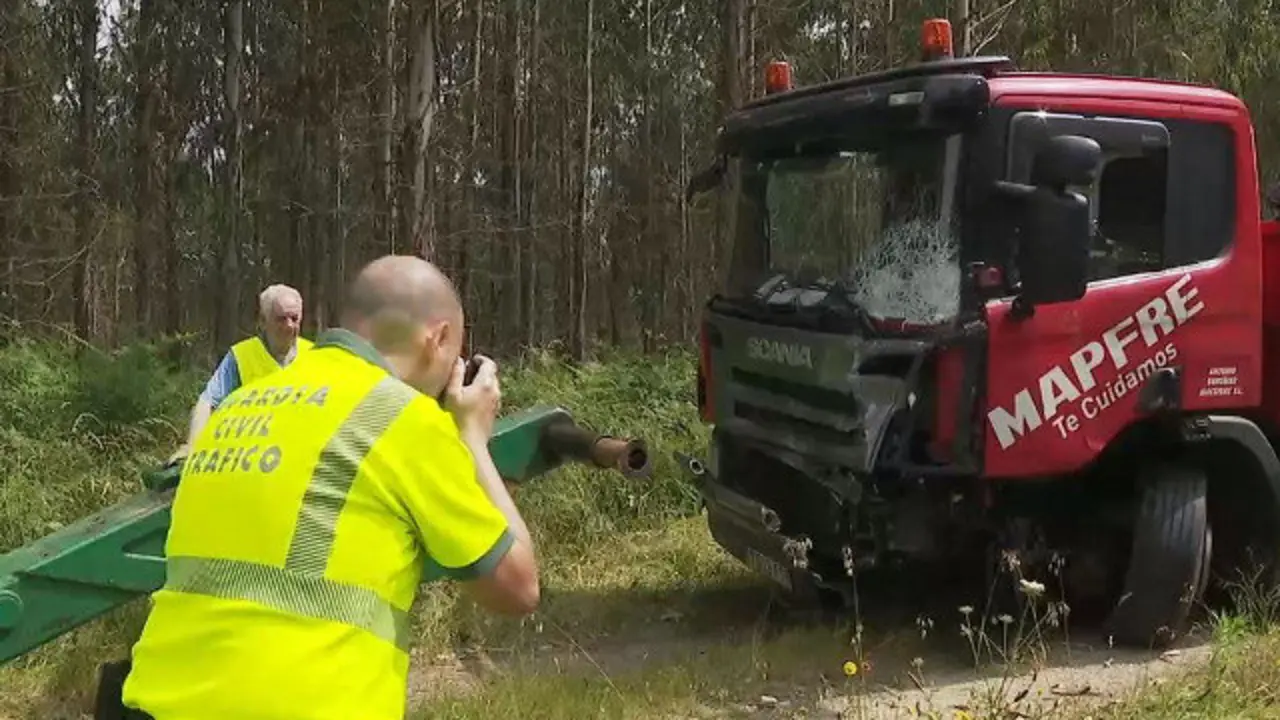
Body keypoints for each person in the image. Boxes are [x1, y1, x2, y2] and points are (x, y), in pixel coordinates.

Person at [116, 256, 539, 720]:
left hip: (155, 703)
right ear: (437, 338)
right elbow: (517, 589)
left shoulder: (237, 407)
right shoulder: (406, 419)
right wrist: (472, 438)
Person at [176, 283, 312, 457]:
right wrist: (193, 446)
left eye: (294, 318)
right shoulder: (242, 356)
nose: (289, 326)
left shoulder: (314, 354)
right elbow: (208, 402)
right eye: (280, 319)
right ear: (263, 321)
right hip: (254, 459)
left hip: (301, 456)